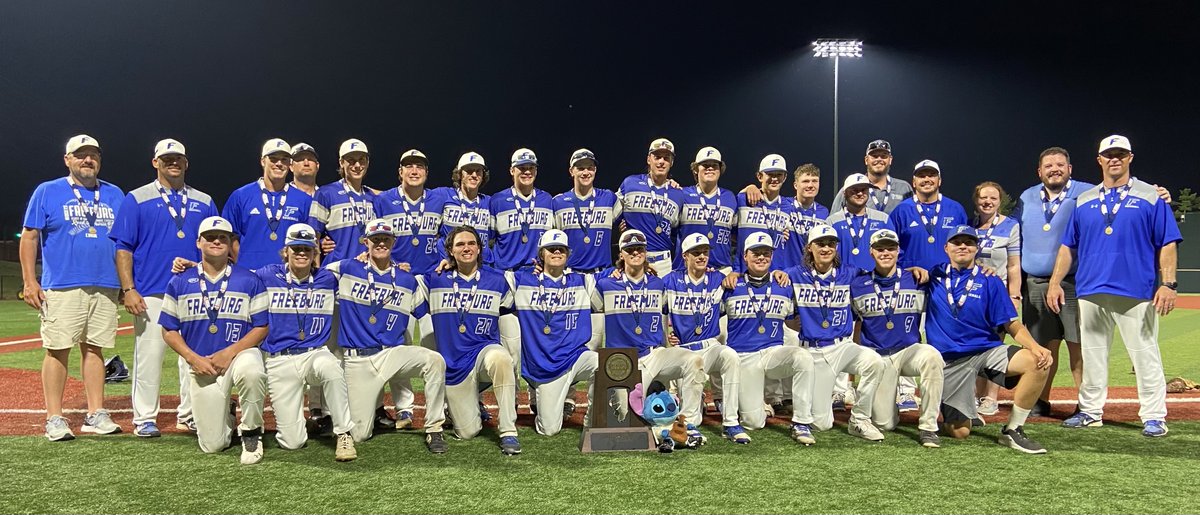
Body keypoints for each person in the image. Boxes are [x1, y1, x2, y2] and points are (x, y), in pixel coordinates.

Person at [1051, 135, 1182, 437]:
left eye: (1120, 154)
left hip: (1135, 289)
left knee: (1145, 354)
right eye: (1109, 154)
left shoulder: (1151, 196)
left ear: (1130, 158)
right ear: (1099, 160)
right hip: (1090, 289)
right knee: (1093, 355)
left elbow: (1167, 242)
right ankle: (1090, 411)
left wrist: (1169, 283)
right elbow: (1068, 246)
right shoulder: (1084, 200)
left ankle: (1154, 416)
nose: (1114, 159)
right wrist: (1055, 282)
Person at [111, 138, 220, 436]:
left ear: (186, 163)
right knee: (149, 356)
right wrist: (129, 288)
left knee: (192, 358)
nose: (173, 162)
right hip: (151, 290)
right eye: (167, 158)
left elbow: (215, 246)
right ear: (155, 162)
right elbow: (123, 247)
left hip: (195, 290)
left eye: (178, 158)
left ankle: (190, 413)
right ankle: (144, 417)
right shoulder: (137, 198)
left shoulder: (204, 200)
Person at [21, 134, 124, 441]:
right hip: (63, 283)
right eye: (80, 155)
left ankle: (96, 412)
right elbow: (29, 236)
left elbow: (124, 241)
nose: (87, 160)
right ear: (67, 160)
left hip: (105, 283)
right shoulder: (48, 190)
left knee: (95, 348)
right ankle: (54, 417)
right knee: (57, 349)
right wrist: (29, 280)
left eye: (93, 154)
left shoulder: (114, 193)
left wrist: (125, 282)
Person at [324, 218, 449, 452]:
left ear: (393, 242)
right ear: (366, 242)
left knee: (434, 361)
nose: (381, 243)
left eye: (386, 239)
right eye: (375, 239)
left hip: (392, 354)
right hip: (358, 360)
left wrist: (449, 266)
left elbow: (424, 310)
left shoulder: (406, 279)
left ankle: (434, 428)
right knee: (360, 434)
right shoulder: (347, 268)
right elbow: (314, 277)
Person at [927, 225, 1052, 453]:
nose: (963, 246)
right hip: (951, 362)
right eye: (957, 242)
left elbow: (1010, 323)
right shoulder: (933, 275)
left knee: (1037, 362)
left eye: (969, 243)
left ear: (977, 248)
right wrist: (914, 268)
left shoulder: (989, 279)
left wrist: (1036, 347)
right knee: (960, 432)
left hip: (986, 351)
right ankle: (961, 412)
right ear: (946, 248)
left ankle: (1013, 429)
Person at [160, 216, 269, 464]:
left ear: (231, 243)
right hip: (202, 363)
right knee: (213, 445)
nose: (216, 241)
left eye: (223, 237)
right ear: (198, 242)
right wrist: (193, 359)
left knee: (252, 372)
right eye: (210, 237)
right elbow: (168, 330)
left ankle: (252, 432)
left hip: (239, 354)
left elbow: (262, 327)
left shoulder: (249, 279)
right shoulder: (180, 281)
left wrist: (229, 353)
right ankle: (228, 412)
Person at [255, 223, 357, 461]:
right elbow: (234, 277)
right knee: (292, 443)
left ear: (315, 253)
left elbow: (364, 269)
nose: (301, 253)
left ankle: (343, 433)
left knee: (331, 367)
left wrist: (395, 265)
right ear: (286, 251)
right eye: (296, 248)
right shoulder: (267, 275)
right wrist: (193, 268)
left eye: (307, 249)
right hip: (280, 359)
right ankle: (303, 425)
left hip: (314, 353)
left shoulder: (327, 278)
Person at [592, 230, 706, 441]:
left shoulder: (658, 284)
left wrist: (673, 336)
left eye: (640, 249)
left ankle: (688, 423)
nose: (635, 253)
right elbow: (589, 306)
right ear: (621, 254)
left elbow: (668, 315)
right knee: (624, 417)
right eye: (630, 250)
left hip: (654, 354)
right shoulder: (606, 284)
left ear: (645, 252)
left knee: (694, 361)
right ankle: (662, 432)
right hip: (624, 361)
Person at [784, 224, 887, 441]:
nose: (826, 248)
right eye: (820, 244)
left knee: (874, 362)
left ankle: (859, 420)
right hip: (813, 351)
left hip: (842, 346)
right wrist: (775, 273)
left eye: (831, 244)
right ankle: (804, 415)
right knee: (821, 424)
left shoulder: (850, 273)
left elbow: (880, 275)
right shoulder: (794, 274)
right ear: (809, 247)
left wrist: (912, 270)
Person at [423, 226, 519, 454]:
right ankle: (467, 406)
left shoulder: (497, 280)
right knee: (468, 432)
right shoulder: (434, 279)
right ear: (450, 251)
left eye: (471, 243)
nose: (466, 248)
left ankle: (508, 430)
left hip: (483, 353)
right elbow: (401, 282)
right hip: (455, 365)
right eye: (460, 244)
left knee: (501, 358)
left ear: (479, 248)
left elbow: (511, 309)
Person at [849, 229, 944, 447]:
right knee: (885, 423)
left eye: (890, 248)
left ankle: (928, 427)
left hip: (909, 351)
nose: (885, 253)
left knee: (932, 356)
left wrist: (984, 268)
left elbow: (948, 275)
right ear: (871, 252)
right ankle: (890, 407)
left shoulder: (917, 279)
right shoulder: (858, 285)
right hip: (879, 356)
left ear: (898, 250)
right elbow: (855, 327)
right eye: (880, 249)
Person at [886, 159, 968, 412]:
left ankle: (947, 387)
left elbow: (965, 244)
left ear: (939, 180)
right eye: (922, 176)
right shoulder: (902, 211)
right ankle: (906, 390)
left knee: (945, 334)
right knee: (908, 334)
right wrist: (906, 270)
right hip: (911, 283)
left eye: (931, 175)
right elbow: (892, 247)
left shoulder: (955, 208)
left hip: (946, 285)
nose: (926, 180)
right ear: (914, 181)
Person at [720, 231, 817, 444]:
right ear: (745, 256)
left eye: (766, 253)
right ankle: (748, 403)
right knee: (754, 423)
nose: (761, 257)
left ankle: (801, 422)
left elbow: (793, 319)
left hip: (773, 352)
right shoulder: (730, 285)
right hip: (744, 356)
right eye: (756, 253)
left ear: (772, 256)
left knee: (803, 357)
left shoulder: (783, 285)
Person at [506, 230, 597, 436]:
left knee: (604, 365)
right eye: (551, 249)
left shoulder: (582, 281)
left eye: (561, 249)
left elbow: (617, 276)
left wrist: (632, 267)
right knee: (549, 429)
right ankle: (539, 396)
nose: (557, 252)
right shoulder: (522, 281)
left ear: (568, 254)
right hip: (544, 365)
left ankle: (593, 421)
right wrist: (452, 264)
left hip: (575, 357)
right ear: (541, 254)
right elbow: (487, 275)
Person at [662, 234, 747, 443]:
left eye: (705, 252)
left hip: (710, 346)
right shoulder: (670, 281)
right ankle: (690, 422)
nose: (702, 257)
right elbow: (655, 311)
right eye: (696, 253)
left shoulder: (718, 279)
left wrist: (735, 274)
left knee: (730, 356)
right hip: (684, 350)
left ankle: (731, 422)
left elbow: (746, 279)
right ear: (685, 256)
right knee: (694, 415)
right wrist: (667, 337)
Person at [490, 148, 555, 403]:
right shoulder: (497, 200)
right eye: (521, 168)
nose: (526, 172)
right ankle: (512, 399)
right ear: (512, 170)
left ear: (536, 171)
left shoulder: (547, 200)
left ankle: (538, 396)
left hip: (536, 279)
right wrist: (496, 272)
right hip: (508, 277)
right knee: (511, 345)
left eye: (530, 168)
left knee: (538, 342)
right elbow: (487, 241)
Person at [552, 149, 620, 351]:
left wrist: (669, 183)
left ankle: (596, 373)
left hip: (602, 274)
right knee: (568, 333)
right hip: (571, 276)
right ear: (571, 171)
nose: (585, 172)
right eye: (580, 168)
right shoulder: (558, 202)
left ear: (595, 170)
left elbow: (631, 216)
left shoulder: (609, 198)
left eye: (590, 168)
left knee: (597, 340)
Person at [969, 181, 1022, 417]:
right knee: (974, 346)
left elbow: (1013, 265)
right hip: (972, 295)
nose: (987, 202)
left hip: (997, 295)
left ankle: (991, 397)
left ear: (1000, 201)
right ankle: (974, 394)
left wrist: (1014, 295)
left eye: (993, 198)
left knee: (995, 345)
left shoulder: (1010, 226)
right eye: (983, 197)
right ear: (976, 200)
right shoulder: (969, 226)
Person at [222, 138, 313, 270]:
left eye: (284, 159)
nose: (279, 163)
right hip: (249, 273)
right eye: (273, 159)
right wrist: (242, 264)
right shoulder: (241, 196)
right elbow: (229, 235)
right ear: (263, 161)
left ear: (290, 164)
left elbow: (311, 237)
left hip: (287, 275)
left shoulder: (303, 200)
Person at [617, 138, 685, 277]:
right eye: (657, 157)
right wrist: (620, 227)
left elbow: (677, 230)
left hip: (664, 262)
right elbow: (612, 213)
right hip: (635, 257)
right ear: (649, 159)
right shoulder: (630, 183)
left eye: (666, 158)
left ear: (671, 162)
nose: (661, 162)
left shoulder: (678, 194)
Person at [309, 139, 376, 262]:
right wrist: (316, 271)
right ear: (341, 163)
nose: (357, 165)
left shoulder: (372, 197)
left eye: (362, 160)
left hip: (366, 268)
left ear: (367, 163)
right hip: (335, 268)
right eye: (351, 160)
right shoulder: (326, 193)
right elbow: (313, 237)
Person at [674, 147, 737, 273]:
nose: (710, 168)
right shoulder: (682, 195)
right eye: (705, 165)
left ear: (720, 169)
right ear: (695, 169)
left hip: (722, 270)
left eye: (714, 165)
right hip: (687, 270)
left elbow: (736, 235)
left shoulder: (730, 197)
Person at [734, 155, 795, 272]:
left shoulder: (788, 206)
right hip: (744, 271)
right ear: (759, 176)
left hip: (775, 273)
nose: (775, 178)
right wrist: (749, 187)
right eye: (770, 174)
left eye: (779, 174)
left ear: (785, 177)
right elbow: (731, 233)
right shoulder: (743, 199)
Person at [827, 173, 894, 271]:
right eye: (854, 190)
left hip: (873, 278)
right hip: (842, 279)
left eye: (863, 190)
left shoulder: (883, 219)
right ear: (844, 193)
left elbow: (893, 251)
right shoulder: (832, 222)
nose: (859, 193)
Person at [438, 152, 494, 267]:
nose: (474, 175)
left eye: (478, 171)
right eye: (469, 171)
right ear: (459, 174)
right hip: (451, 264)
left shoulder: (490, 202)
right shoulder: (444, 196)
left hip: (483, 265)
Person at [831, 139, 913, 214]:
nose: (879, 159)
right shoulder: (850, 188)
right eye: (874, 156)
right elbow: (834, 219)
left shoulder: (904, 188)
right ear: (866, 160)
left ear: (890, 159)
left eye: (884, 156)